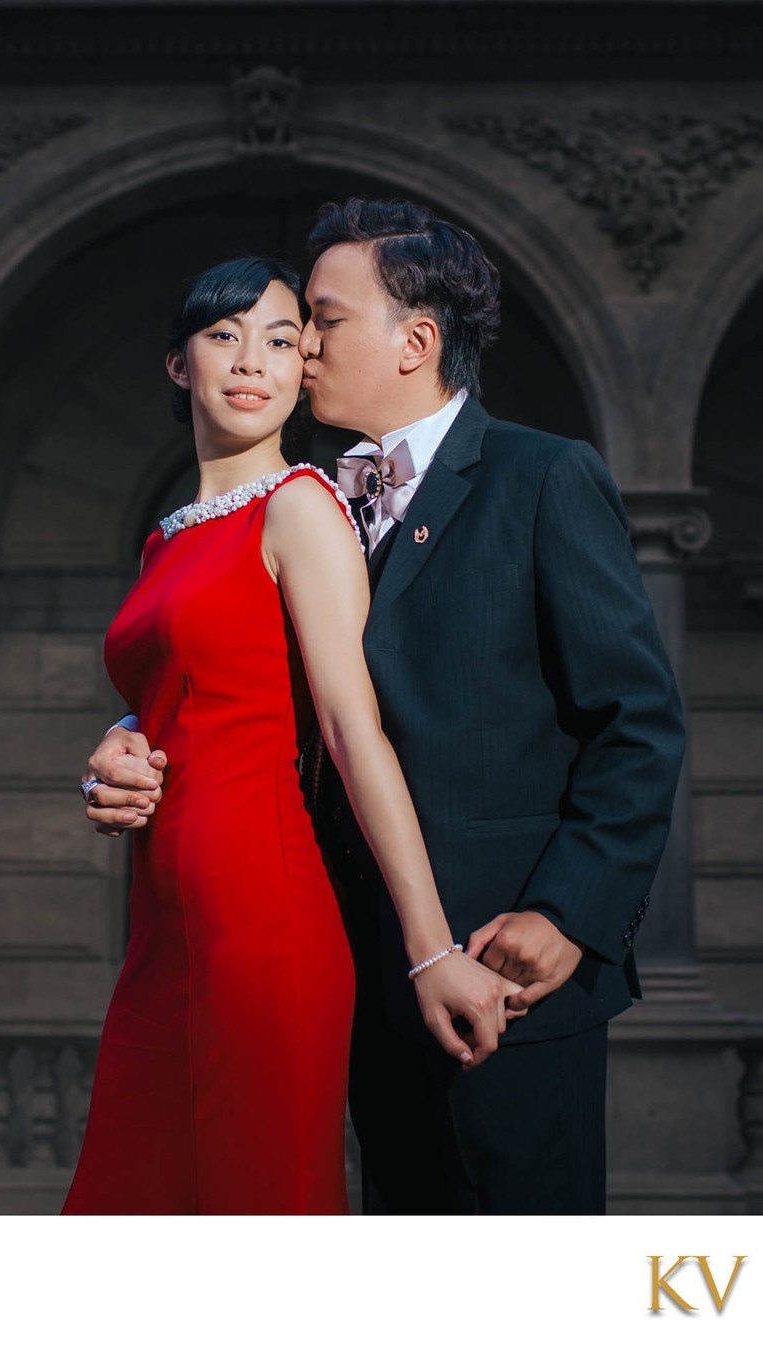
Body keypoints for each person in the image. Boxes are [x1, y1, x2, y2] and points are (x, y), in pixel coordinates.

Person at [84, 199, 686, 1216]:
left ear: (416, 340)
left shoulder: (541, 478)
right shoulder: (309, 495)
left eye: (319, 319)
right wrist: (131, 733)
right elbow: (256, 679)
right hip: (347, 963)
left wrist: (566, 913)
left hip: (504, 961)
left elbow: (638, 719)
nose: (296, 347)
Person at [62, 253, 522, 1217]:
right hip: (165, 930)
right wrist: (117, 745)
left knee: (257, 1207)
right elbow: (184, 686)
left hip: (263, 917)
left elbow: (354, 731)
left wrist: (430, 949)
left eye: (281, 341)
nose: (250, 361)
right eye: (223, 336)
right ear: (179, 364)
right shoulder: (168, 536)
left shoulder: (301, 508)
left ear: (301, 368)